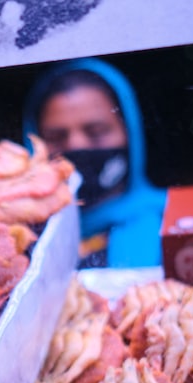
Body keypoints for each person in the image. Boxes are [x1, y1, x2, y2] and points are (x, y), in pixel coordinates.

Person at [22, 58, 166, 268]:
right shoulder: (19, 244)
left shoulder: (177, 227)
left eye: (96, 132)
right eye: (56, 136)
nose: (76, 145)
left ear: (130, 133)